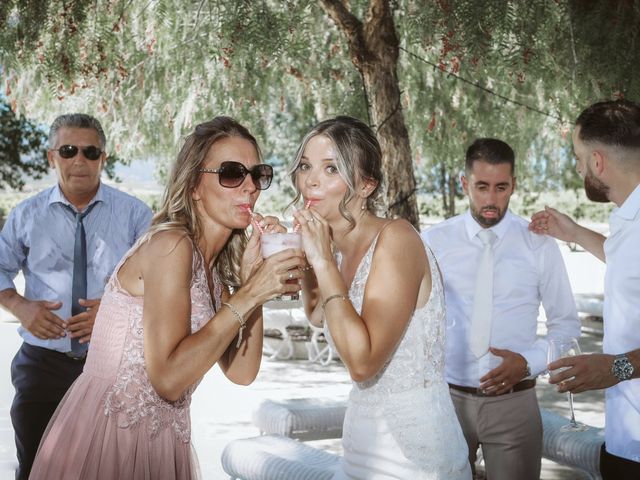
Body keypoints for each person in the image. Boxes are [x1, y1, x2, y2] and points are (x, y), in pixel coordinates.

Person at [28, 116, 305, 479]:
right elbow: (169, 380)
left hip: (163, 441)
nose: (250, 187)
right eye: (232, 173)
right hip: (111, 437)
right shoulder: (170, 246)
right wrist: (251, 291)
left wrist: (252, 286)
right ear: (193, 185)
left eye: (258, 174)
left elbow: (242, 372)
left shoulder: (215, 273)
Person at [291, 116, 471, 479]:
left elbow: (363, 363)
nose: (310, 180)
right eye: (306, 166)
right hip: (361, 440)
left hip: (414, 455)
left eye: (331, 169)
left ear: (366, 185)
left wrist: (322, 260)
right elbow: (317, 313)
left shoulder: (396, 239)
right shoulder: (335, 247)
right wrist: (306, 255)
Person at [0, 113, 153, 480]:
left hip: (115, 364)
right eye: (68, 151)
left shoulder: (135, 215)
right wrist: (21, 306)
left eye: (90, 151)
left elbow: (164, 281)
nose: (79, 160)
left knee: (111, 470)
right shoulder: (27, 215)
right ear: (52, 157)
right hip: (42, 366)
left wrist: (118, 309)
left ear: (104, 157)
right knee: (37, 469)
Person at [422, 138, 581, 480]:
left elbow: (566, 327)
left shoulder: (539, 244)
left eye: (500, 187)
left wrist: (528, 364)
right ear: (465, 184)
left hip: (515, 404)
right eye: (481, 187)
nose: (491, 199)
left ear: (514, 185)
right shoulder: (434, 241)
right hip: (444, 402)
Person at [529, 99, 640, 479]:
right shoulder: (628, 213)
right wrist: (573, 232)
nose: (577, 168)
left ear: (597, 161)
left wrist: (617, 367)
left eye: (578, 157)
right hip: (626, 435)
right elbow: (627, 264)